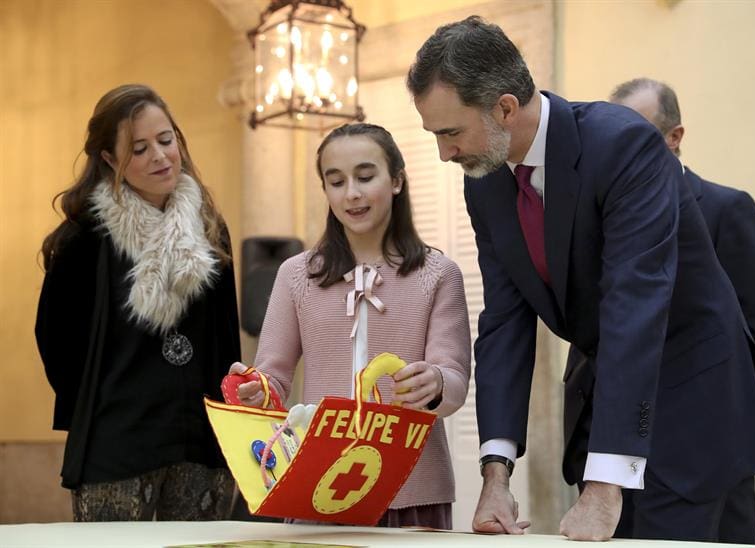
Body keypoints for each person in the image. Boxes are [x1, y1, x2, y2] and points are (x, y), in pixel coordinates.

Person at [407, 16, 755, 542]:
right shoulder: (485, 183)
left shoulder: (623, 145)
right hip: (607, 408)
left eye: (450, 132)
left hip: (692, 407)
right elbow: (505, 321)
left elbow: (634, 306)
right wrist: (495, 473)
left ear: (505, 108)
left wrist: (604, 483)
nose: (444, 153)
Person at [229, 122, 471, 529]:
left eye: (365, 176)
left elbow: (455, 379)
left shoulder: (439, 274)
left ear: (396, 180)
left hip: (412, 487)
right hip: (316, 484)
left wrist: (436, 382)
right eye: (336, 181)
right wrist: (256, 390)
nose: (351, 194)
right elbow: (273, 378)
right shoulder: (295, 275)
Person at [35, 84, 241, 521]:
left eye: (166, 140)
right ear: (110, 159)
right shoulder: (84, 238)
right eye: (139, 149)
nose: (160, 157)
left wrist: (230, 425)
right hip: (118, 443)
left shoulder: (209, 228)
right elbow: (55, 340)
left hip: (200, 441)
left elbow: (224, 338)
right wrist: (99, 406)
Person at [609, 77, 755, 544]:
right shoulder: (606, 213)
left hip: (711, 451)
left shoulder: (727, 208)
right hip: (616, 457)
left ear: (675, 136)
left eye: (638, 135)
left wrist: (737, 424)